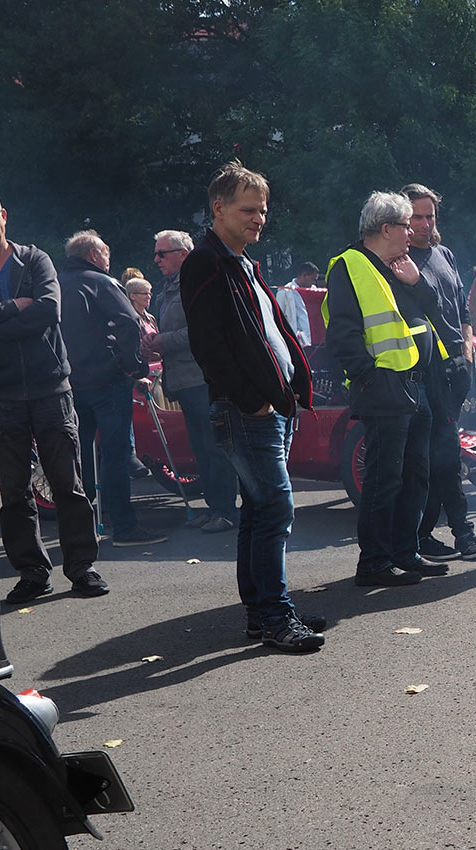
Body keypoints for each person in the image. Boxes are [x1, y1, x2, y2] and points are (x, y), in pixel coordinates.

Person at [181, 160, 324, 653]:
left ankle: (263, 614)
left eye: (262, 210)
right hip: (249, 412)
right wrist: (256, 401)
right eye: (248, 209)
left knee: (261, 511)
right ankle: (275, 617)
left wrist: (281, 397)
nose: (258, 218)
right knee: (275, 509)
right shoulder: (206, 261)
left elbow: (263, 337)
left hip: (266, 408)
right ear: (218, 208)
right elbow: (210, 348)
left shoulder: (239, 261)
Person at [0, 185, 107, 603]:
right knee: (14, 492)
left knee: (69, 484)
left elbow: (48, 311)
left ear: (4, 215)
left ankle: (82, 567)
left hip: (50, 387)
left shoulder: (35, 259)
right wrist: (12, 307)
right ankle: (32, 573)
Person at [324, 190, 447, 586]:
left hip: (415, 386)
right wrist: (369, 377)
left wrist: (417, 280)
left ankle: (405, 552)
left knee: (416, 476)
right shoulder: (350, 265)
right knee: (383, 479)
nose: (413, 232)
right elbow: (342, 333)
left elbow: (432, 311)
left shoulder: (398, 264)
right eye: (407, 225)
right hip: (385, 388)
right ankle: (374, 562)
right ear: (386, 228)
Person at [56, 230, 167, 546]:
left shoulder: (55, 283)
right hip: (107, 381)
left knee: (78, 456)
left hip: (70, 382)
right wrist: (133, 366)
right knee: (115, 455)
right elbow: (129, 323)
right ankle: (125, 528)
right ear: (93, 255)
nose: (109, 258)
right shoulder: (102, 282)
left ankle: (82, 528)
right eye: (106, 252)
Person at [401, 181, 476, 562]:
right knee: (446, 454)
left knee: (440, 454)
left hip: (457, 366)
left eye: (429, 215)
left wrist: (467, 343)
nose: (423, 222)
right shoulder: (398, 261)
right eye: (416, 216)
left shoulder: (444, 253)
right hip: (426, 371)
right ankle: (464, 534)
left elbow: (462, 308)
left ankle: (422, 533)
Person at [148, 229, 237, 532]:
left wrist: (162, 340)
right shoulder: (173, 287)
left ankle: (226, 511)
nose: (156, 259)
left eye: (163, 253)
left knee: (215, 447)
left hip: (203, 379)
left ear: (183, 254)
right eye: (156, 253)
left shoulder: (198, 285)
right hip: (186, 380)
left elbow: (203, 331)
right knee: (202, 448)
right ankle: (215, 509)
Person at [273, 269, 312, 348]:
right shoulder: (284, 291)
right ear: (304, 275)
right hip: (294, 339)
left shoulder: (313, 290)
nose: (313, 282)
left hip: (310, 339)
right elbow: (278, 316)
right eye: (312, 279)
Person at [124, 277, 158, 359]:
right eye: (145, 293)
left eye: (150, 293)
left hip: (158, 366)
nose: (149, 297)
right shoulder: (127, 319)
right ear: (132, 296)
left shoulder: (151, 318)